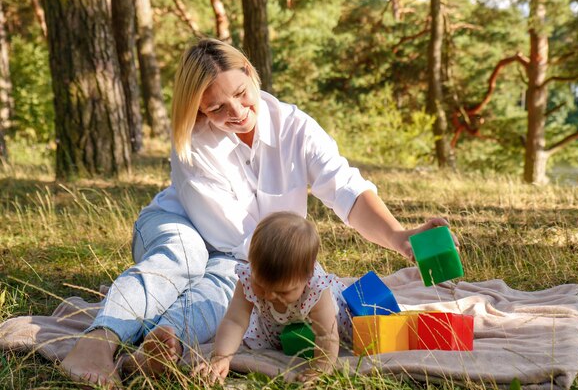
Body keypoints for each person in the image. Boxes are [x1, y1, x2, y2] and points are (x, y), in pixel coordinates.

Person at [59, 38, 454, 387]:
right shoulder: (193, 145)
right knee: (189, 259)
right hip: (182, 226)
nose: (236, 112)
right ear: (198, 111)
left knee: (225, 292)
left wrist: (401, 237)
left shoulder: (295, 127)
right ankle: (96, 343)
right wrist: (284, 275)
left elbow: (345, 189)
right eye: (215, 108)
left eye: (241, 93)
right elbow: (233, 243)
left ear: (250, 72)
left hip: (245, 251)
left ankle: (165, 339)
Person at [193, 211, 352, 384]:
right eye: (260, 286)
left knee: (350, 328)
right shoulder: (248, 278)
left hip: (328, 319)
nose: (268, 296)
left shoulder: (317, 289)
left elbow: (325, 333)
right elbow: (235, 321)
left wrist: (321, 368)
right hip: (275, 325)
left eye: (282, 292)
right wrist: (221, 356)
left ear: (307, 277)